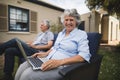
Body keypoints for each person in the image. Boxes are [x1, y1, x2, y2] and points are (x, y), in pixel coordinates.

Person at [15, 9, 91, 80]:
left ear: (76, 22)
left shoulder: (81, 34)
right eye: (66, 20)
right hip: (47, 60)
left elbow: (83, 56)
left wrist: (59, 62)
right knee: (23, 66)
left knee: (27, 75)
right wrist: (45, 54)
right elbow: (55, 47)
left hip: (62, 67)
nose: (68, 22)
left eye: (71, 20)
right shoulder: (61, 33)